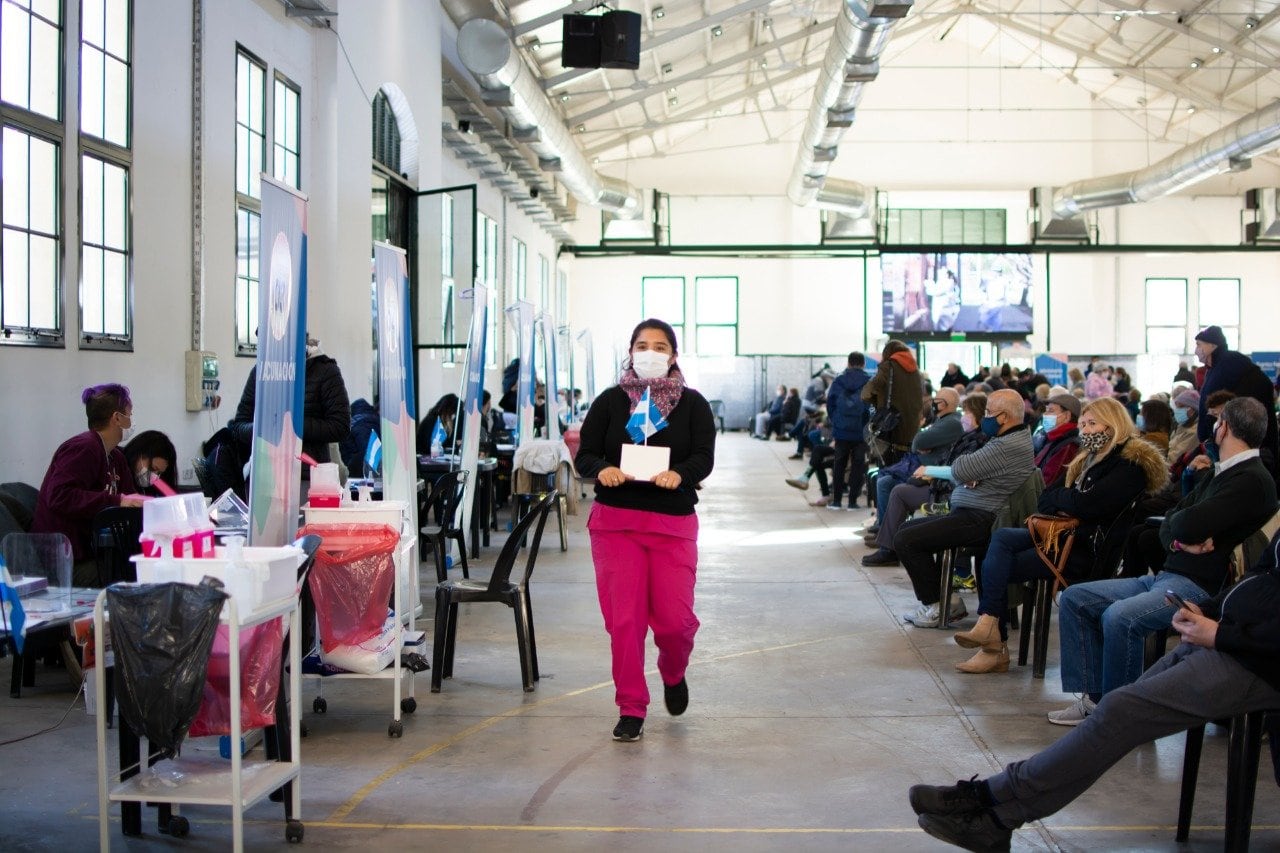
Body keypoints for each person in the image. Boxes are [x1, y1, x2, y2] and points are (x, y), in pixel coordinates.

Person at [908, 527, 1280, 852]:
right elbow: (1262, 574)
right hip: (1227, 639)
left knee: (1121, 710)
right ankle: (999, 820)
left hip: (1255, 661)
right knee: (1115, 715)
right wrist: (1209, 611)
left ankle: (989, 796)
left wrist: (1221, 633)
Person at [1048, 396, 1278, 726]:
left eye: (1215, 419)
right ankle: (1095, 699)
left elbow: (1182, 521)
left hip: (1200, 588)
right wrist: (1178, 536)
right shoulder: (1222, 472)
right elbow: (1172, 518)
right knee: (1075, 598)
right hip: (1169, 575)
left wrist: (1178, 529)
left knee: (1119, 617)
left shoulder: (1251, 480)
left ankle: (1121, 714)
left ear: (1224, 427)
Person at [574, 318, 716, 743]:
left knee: (674, 623)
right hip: (617, 524)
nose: (649, 352)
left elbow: (704, 457)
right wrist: (604, 470)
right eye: (641, 344)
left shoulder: (693, 404)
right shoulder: (609, 402)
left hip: (672, 524)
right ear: (630, 351)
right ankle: (631, 706)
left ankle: (673, 672)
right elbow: (586, 455)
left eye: (659, 346)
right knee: (625, 622)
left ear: (673, 355)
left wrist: (680, 474)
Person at [949, 398, 1167, 674]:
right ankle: (990, 626)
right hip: (1062, 536)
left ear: (1113, 425)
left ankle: (994, 644)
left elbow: (1088, 504)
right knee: (1001, 539)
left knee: (996, 567)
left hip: (1085, 550)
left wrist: (1069, 500)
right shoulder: (1088, 457)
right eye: (1084, 424)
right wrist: (1070, 500)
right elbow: (1047, 496)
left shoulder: (1128, 466)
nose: (1086, 430)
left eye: (1093, 424)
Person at [893, 389, 1036, 628]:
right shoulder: (1006, 439)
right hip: (971, 511)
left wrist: (968, 473)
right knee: (907, 530)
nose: (984, 418)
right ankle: (944, 601)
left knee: (907, 539)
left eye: (989, 413)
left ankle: (941, 604)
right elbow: (965, 469)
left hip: (982, 517)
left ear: (1003, 417)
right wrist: (969, 473)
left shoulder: (1007, 445)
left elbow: (959, 468)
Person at [32, 384, 145, 586]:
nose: (132, 420)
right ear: (117, 418)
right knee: (133, 574)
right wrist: (118, 501)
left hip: (94, 552)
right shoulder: (83, 448)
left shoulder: (116, 457)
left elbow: (132, 499)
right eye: (130, 414)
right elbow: (59, 496)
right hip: (67, 562)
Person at [862, 391, 978, 568]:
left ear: (944, 403)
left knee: (892, 487)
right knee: (885, 481)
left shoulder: (953, 424)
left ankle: (888, 546)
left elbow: (918, 441)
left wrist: (928, 462)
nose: (932, 404)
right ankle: (885, 536)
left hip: (945, 487)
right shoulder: (951, 425)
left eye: (936, 401)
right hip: (937, 479)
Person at [229, 333, 351, 471]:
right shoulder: (260, 371)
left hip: (308, 474)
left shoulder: (325, 370)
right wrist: (261, 427)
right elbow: (238, 426)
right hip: (265, 473)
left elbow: (341, 426)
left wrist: (293, 425)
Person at [1194, 324, 1279, 479]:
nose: (1196, 350)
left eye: (1199, 344)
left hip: (1242, 444)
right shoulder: (1216, 367)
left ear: (1212, 345)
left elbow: (1217, 403)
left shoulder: (1229, 364)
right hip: (1228, 441)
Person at [862, 340, 924, 465]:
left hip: (891, 426)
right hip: (912, 428)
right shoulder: (917, 372)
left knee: (887, 472)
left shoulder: (888, 367)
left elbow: (866, 393)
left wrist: (877, 403)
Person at [826, 352, 871, 510]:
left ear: (848, 363)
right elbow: (873, 406)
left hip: (841, 430)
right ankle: (853, 502)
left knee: (839, 464)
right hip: (861, 431)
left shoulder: (839, 380)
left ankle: (836, 501)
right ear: (863, 364)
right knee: (858, 466)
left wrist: (836, 421)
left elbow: (830, 403)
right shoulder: (868, 381)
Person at [1032, 393, 1080, 486]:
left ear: (1067, 416)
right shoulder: (1053, 438)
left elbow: (1046, 483)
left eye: (1050, 410)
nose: (1044, 414)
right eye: (1045, 410)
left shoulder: (1069, 446)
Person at [120, 430, 179, 497]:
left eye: (159, 473)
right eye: (153, 468)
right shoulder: (117, 467)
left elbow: (172, 497)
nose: (154, 476)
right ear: (138, 455)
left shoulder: (156, 480)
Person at [339, 398, 381, 475]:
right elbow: (368, 455)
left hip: (348, 467)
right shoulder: (369, 424)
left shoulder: (359, 419)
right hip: (355, 474)